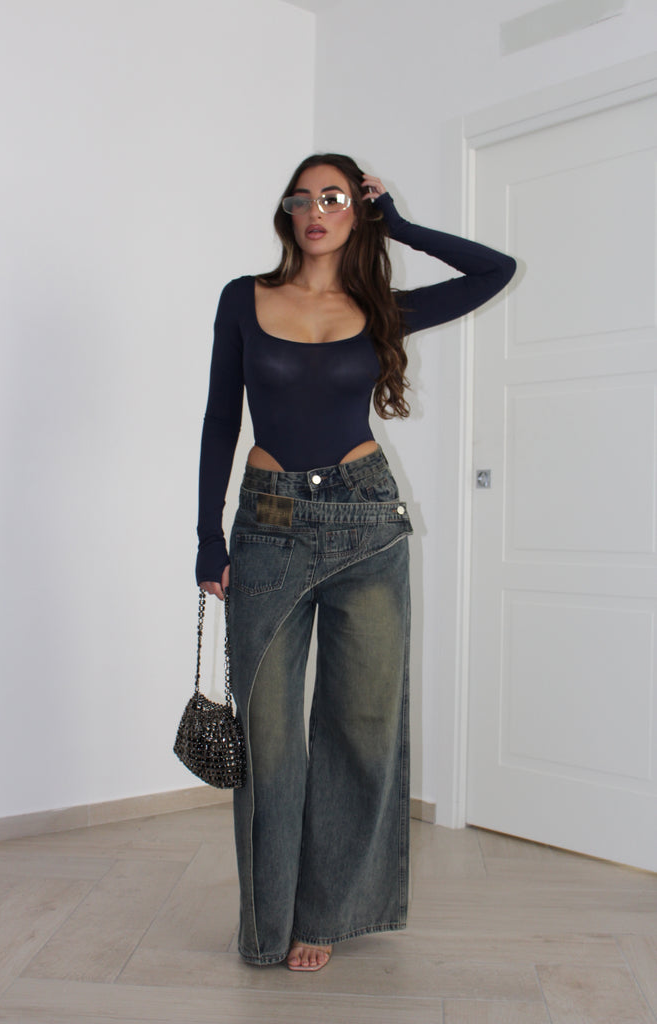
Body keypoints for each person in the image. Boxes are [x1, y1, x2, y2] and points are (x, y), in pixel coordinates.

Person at [196, 153, 516, 971]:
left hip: (366, 521)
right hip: (268, 523)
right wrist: (208, 536)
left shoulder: (381, 308)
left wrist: (397, 223)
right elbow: (220, 419)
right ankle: (268, 924)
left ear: (355, 211)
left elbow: (494, 269)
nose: (314, 211)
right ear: (286, 212)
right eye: (301, 198)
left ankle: (325, 917)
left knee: (362, 729)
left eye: (333, 198)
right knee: (268, 740)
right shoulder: (243, 298)